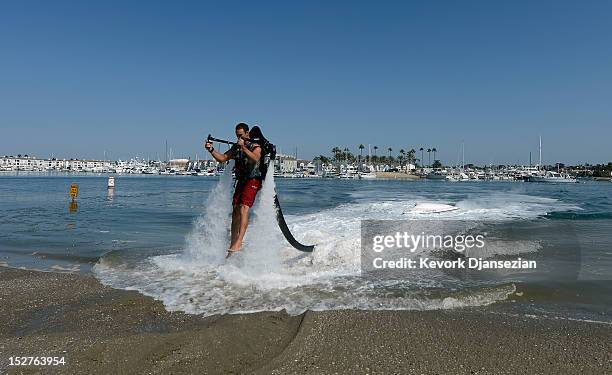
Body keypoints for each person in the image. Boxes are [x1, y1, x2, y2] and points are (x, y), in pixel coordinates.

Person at [204, 123, 262, 257]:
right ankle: (233, 244)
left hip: (253, 180)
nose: (238, 138)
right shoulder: (236, 147)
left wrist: (243, 148)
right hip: (241, 181)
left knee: (243, 208)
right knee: (235, 210)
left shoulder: (255, 146)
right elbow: (222, 159)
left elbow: (256, 159)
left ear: (247, 133)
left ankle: (239, 242)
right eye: (237, 136)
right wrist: (211, 149)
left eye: (241, 135)